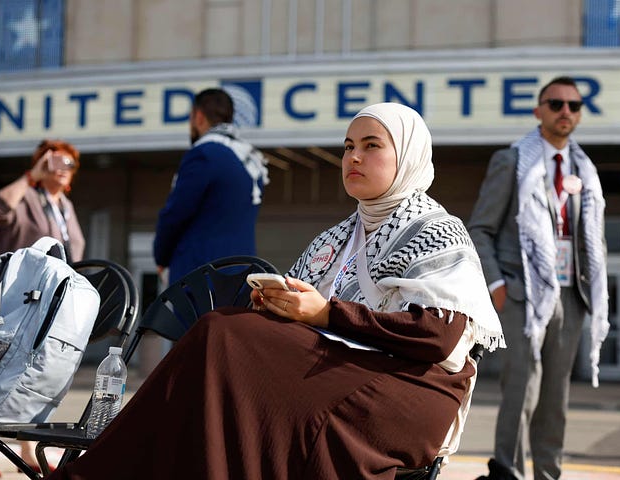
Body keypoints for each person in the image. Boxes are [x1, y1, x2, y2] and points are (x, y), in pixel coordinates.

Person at [44, 102, 504, 480]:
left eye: (371, 146)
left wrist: (325, 314)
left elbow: (439, 338)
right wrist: (279, 307)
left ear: (407, 155)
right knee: (226, 338)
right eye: (347, 147)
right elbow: (304, 320)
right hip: (341, 368)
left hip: (412, 389)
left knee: (221, 335)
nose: (354, 158)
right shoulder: (335, 239)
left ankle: (90, 475)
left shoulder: (435, 229)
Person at [468, 76, 608, 480]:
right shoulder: (512, 161)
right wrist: (497, 286)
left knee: (554, 397)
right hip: (521, 294)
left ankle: (549, 474)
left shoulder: (585, 170)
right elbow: (480, 229)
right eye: (556, 103)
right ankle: (507, 472)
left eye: (574, 106)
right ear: (538, 111)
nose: (566, 111)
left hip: (570, 294)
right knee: (522, 388)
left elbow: (591, 236)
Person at [0, 139, 85, 478]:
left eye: (71, 163)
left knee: (37, 373)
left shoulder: (65, 206)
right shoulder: (28, 199)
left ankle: (26, 450)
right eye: (57, 161)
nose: (64, 169)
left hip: (50, 307)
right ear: (41, 164)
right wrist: (29, 176)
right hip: (12, 301)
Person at [153, 87, 269, 286]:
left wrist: (161, 257)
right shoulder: (249, 159)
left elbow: (175, 214)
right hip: (242, 274)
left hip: (201, 276)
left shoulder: (204, 153)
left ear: (198, 116)